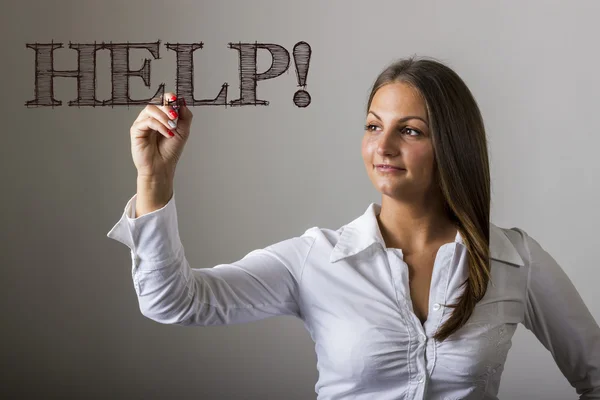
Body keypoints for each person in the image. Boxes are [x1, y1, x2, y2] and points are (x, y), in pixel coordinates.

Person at [107, 56, 600, 399]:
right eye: (372, 126)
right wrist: (155, 178)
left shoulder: (514, 260)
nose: (382, 146)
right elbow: (173, 301)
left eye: (409, 130)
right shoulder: (315, 260)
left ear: (453, 145)